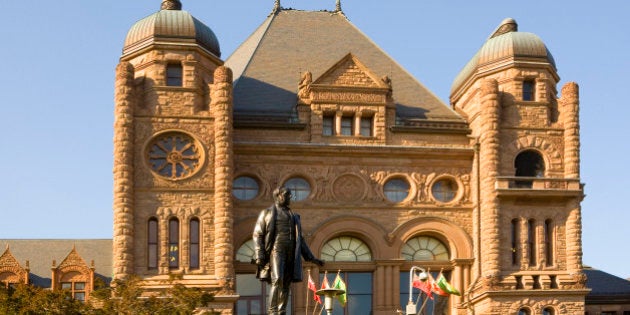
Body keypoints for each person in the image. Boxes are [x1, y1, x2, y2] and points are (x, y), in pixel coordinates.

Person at [253, 187, 325, 315]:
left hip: (291, 252)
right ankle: (272, 311)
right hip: (276, 249)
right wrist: (259, 254)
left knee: (286, 283)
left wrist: (312, 258)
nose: (290, 197)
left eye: (290, 195)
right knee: (277, 279)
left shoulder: (294, 216)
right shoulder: (268, 213)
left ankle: (281, 311)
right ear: (278, 195)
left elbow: (300, 240)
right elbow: (258, 234)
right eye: (287, 195)